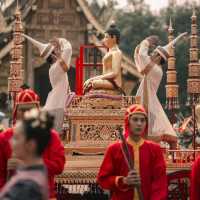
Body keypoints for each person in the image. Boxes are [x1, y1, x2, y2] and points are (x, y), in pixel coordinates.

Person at [0, 89, 65, 199]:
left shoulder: (51, 135)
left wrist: (26, 164)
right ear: (16, 111)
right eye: (23, 109)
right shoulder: (4, 137)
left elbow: (59, 166)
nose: (26, 114)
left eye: (30, 109)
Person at [97, 104, 167, 200]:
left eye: (142, 120)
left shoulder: (155, 150)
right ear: (127, 122)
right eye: (135, 119)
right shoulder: (114, 149)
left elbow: (160, 182)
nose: (139, 124)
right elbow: (103, 179)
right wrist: (124, 181)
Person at [134, 33, 187, 143]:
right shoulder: (154, 68)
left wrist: (147, 41)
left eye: (153, 54)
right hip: (147, 100)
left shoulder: (155, 69)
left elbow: (142, 57)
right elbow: (140, 63)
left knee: (145, 128)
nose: (150, 55)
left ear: (158, 57)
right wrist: (139, 48)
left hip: (147, 101)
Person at [23, 33, 73, 133]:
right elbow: (68, 49)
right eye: (56, 50)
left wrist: (56, 49)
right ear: (53, 54)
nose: (59, 51)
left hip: (56, 102)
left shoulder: (52, 68)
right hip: (58, 104)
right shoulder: (56, 67)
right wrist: (59, 40)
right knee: (56, 132)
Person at [0, 109, 53, 200]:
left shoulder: (27, 187)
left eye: (16, 138)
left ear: (30, 145)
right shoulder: (36, 173)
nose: (10, 141)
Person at [84, 23, 123, 95]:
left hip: (114, 82)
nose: (103, 40)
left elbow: (115, 73)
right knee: (90, 84)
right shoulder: (109, 52)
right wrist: (94, 78)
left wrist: (94, 78)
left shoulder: (117, 52)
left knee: (94, 83)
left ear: (113, 38)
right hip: (107, 80)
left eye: (106, 37)